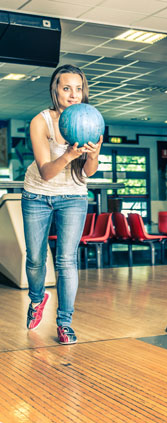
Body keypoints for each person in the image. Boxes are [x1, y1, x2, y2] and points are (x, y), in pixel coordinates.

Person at [22, 64, 102, 344]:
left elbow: (89, 172)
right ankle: (36, 299)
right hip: (37, 195)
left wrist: (93, 154)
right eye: (66, 88)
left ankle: (65, 323)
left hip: (73, 197)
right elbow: (46, 171)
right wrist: (69, 154)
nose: (73, 95)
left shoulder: (91, 121)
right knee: (35, 258)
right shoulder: (40, 122)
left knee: (66, 260)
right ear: (55, 90)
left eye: (78, 89)